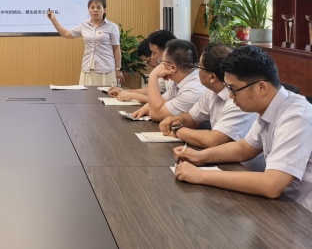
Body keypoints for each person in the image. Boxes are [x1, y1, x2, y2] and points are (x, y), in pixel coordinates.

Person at [174, 45, 312, 212]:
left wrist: (200, 175)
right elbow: (245, 148)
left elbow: (272, 185)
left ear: (262, 87)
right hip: (280, 205)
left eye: (233, 89)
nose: (230, 96)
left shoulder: (296, 117)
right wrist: (200, 156)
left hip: (301, 213)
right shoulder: (269, 107)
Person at [159, 43, 256, 148]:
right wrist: (179, 119)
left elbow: (213, 141)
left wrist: (178, 131)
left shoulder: (239, 98)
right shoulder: (212, 91)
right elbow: (192, 119)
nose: (197, 71)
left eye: (199, 67)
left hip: (238, 159)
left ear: (212, 77)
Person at [47, 0, 123, 86]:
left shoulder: (112, 27)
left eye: (98, 7)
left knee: (106, 94)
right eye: (92, 7)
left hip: (106, 69)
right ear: (89, 10)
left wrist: (118, 69)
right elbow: (66, 34)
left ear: (104, 10)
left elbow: (116, 49)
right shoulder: (84, 26)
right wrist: (53, 20)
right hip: (88, 68)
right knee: (87, 94)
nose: (95, 10)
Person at [132, 39, 205, 122]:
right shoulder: (178, 80)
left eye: (161, 62)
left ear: (172, 67)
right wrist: (147, 107)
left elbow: (156, 114)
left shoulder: (193, 90)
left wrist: (153, 75)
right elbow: (161, 102)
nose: (159, 65)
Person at [108, 30, 176, 101]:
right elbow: (160, 98)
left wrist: (133, 95)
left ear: (167, 51)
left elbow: (162, 103)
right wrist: (125, 92)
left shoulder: (179, 75)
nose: (153, 57)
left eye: (154, 53)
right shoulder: (167, 72)